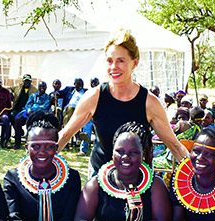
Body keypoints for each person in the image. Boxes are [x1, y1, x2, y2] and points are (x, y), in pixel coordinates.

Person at [57, 29, 188, 177]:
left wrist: (198, 174)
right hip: (99, 176)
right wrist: (38, 161)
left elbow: (175, 146)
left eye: (121, 61)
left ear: (135, 62)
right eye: (110, 61)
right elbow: (65, 135)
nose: (114, 67)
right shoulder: (94, 96)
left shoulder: (150, 103)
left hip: (137, 180)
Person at [12, 81, 51, 149]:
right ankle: (17, 143)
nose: (42, 88)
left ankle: (30, 142)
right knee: (17, 120)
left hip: (40, 115)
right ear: (38, 88)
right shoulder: (33, 95)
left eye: (43, 87)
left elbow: (45, 107)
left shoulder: (47, 97)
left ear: (46, 88)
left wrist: (34, 109)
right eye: (40, 86)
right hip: (29, 113)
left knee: (32, 121)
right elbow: (28, 104)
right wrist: (29, 110)